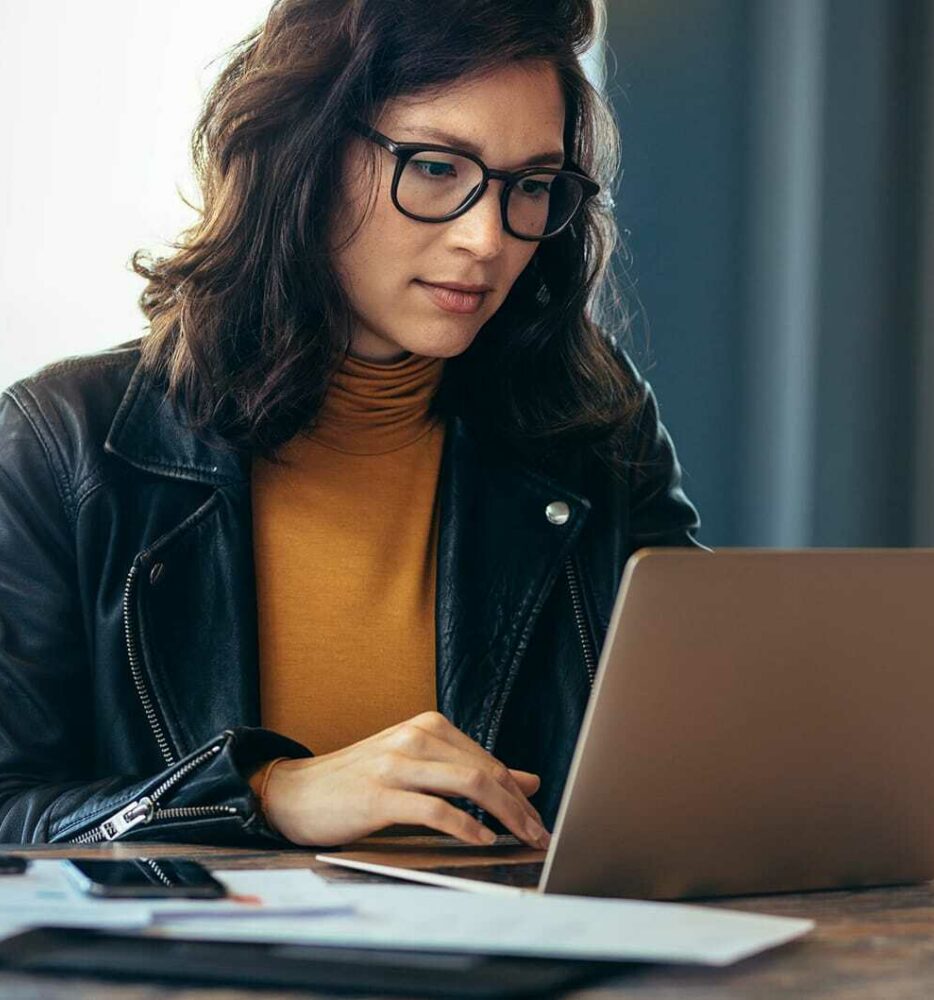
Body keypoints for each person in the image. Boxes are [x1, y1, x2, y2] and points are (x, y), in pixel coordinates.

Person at [0, 0, 701, 849]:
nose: (487, 238)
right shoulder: (62, 444)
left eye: (530, 185)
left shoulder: (594, 428)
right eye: (439, 167)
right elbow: (11, 814)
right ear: (305, 154)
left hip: (522, 967)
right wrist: (267, 793)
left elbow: (703, 755)